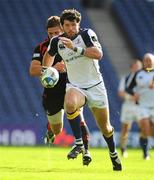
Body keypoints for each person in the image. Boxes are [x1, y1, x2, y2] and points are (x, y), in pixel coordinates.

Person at [43, 9, 122, 171]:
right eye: (67, 25)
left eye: (74, 24)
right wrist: (47, 70)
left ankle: (113, 153)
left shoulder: (86, 35)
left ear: (78, 24)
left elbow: (98, 54)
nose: (71, 28)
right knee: (69, 104)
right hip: (76, 86)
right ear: (62, 26)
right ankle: (79, 143)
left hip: (95, 87)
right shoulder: (56, 41)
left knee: (105, 128)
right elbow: (48, 57)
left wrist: (75, 48)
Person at [29, 16, 91, 165]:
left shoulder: (73, 43)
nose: (54, 36)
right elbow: (33, 70)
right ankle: (51, 130)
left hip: (72, 87)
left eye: (57, 32)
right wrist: (50, 69)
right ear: (47, 33)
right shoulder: (42, 47)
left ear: (63, 29)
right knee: (58, 129)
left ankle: (86, 152)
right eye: (51, 33)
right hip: (52, 93)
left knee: (79, 117)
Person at [118, 60, 142, 158]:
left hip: (140, 106)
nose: (137, 69)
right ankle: (123, 149)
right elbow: (120, 92)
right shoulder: (126, 79)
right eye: (135, 67)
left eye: (139, 67)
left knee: (144, 128)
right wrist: (130, 97)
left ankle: (145, 150)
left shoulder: (144, 79)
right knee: (125, 129)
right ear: (131, 68)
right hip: (128, 106)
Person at [132, 53, 154, 160]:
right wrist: (133, 94)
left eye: (150, 60)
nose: (148, 62)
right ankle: (145, 154)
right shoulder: (138, 74)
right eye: (146, 60)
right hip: (142, 106)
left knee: (151, 132)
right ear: (143, 62)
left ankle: (143, 140)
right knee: (145, 127)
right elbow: (129, 87)